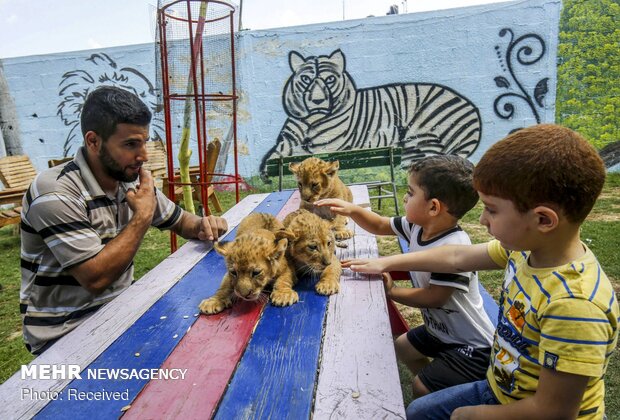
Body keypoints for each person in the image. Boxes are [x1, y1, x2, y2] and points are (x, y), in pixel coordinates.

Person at [343, 124, 619, 419]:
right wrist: (386, 263)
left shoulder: (574, 307)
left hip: (529, 411)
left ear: (543, 219)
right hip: (502, 386)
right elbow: (456, 257)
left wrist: (476, 415)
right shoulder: (524, 249)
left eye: (492, 210)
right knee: (420, 411)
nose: (483, 220)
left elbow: (553, 411)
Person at [20, 86, 228, 355]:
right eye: (131, 144)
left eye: (144, 142)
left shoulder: (126, 179)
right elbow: (96, 278)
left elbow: (182, 222)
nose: (142, 155)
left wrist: (204, 225)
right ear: (93, 141)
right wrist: (142, 216)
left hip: (122, 313)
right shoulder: (55, 192)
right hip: (64, 334)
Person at [316, 155, 495, 398]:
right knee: (402, 347)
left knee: (421, 387)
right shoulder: (417, 226)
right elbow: (380, 225)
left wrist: (392, 292)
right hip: (441, 331)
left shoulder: (454, 246)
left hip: (470, 344)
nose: (404, 197)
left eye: (410, 193)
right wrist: (353, 209)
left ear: (433, 207)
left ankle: (442, 398)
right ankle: (443, 387)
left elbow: (435, 297)